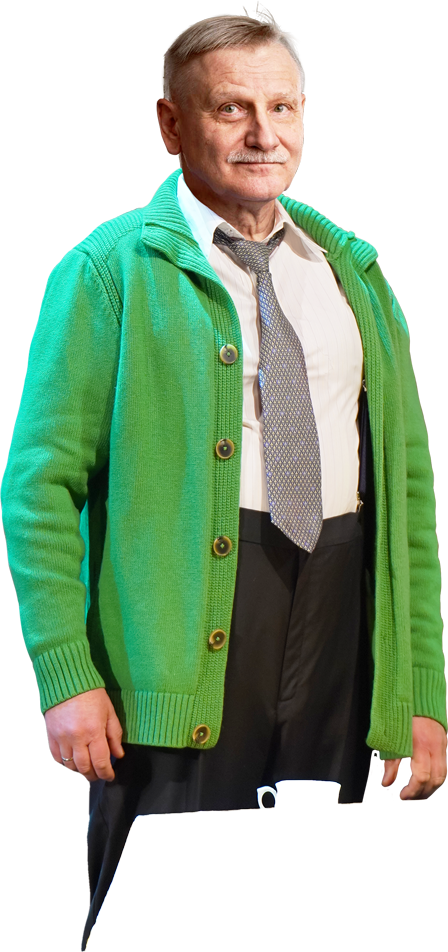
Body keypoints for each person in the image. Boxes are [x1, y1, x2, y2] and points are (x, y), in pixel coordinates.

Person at [1, 12, 446, 949]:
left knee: (311, 913)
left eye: (283, 108)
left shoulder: (354, 273)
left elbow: (408, 497)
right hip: (180, 645)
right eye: (231, 108)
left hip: (338, 624)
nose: (263, 134)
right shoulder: (111, 269)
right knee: (162, 919)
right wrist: (67, 674)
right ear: (172, 123)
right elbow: (39, 486)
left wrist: (419, 691)